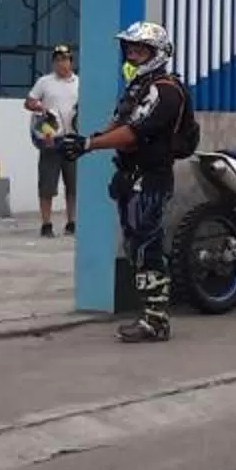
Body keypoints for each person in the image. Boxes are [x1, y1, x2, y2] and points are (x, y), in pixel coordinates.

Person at [72, 21, 195, 344]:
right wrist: (85, 140)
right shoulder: (138, 86)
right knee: (136, 245)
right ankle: (150, 313)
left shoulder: (165, 91)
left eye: (141, 49)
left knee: (147, 245)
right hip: (131, 175)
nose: (132, 54)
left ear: (158, 53)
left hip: (151, 177)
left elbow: (134, 132)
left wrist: (89, 144)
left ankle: (156, 319)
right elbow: (119, 122)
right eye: (129, 48)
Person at [23, 44, 84, 238]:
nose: (61, 64)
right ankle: (46, 223)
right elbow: (29, 101)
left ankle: (72, 221)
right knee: (47, 185)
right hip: (50, 139)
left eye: (64, 60)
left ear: (71, 62)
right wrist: (38, 106)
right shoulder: (44, 82)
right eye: (57, 60)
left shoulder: (80, 83)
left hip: (73, 138)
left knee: (73, 185)